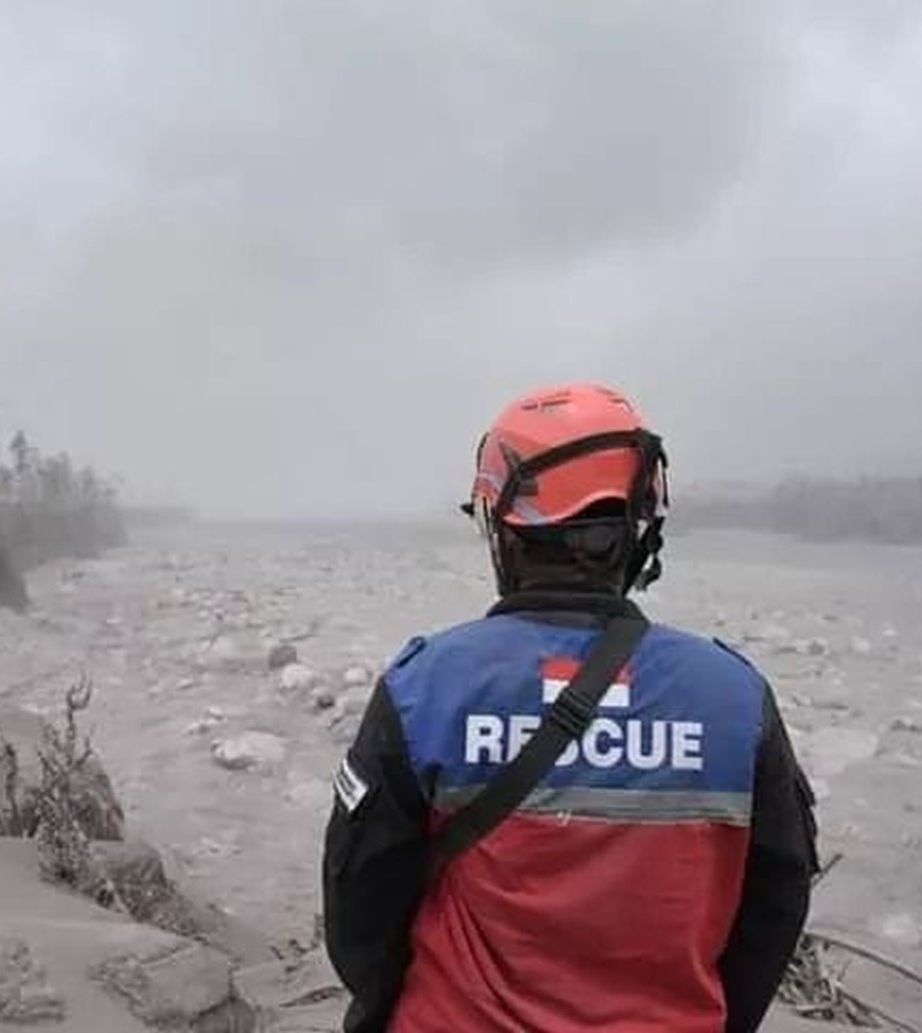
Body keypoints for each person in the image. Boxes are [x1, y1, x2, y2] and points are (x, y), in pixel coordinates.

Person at [322, 382, 819, 1032]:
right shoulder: (736, 699)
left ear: (504, 531)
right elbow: (774, 907)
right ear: (640, 530)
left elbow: (358, 908)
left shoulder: (426, 687)